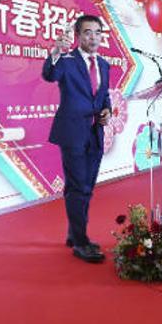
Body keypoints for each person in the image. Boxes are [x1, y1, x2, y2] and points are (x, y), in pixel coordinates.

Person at [42, 15, 111, 264]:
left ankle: (73, 233)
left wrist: (107, 111)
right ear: (78, 36)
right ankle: (81, 242)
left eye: (97, 33)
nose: (93, 37)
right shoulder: (67, 61)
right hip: (72, 132)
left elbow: (104, 97)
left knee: (85, 186)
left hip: (95, 133)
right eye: (87, 33)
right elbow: (49, 74)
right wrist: (56, 51)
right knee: (78, 186)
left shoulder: (104, 64)